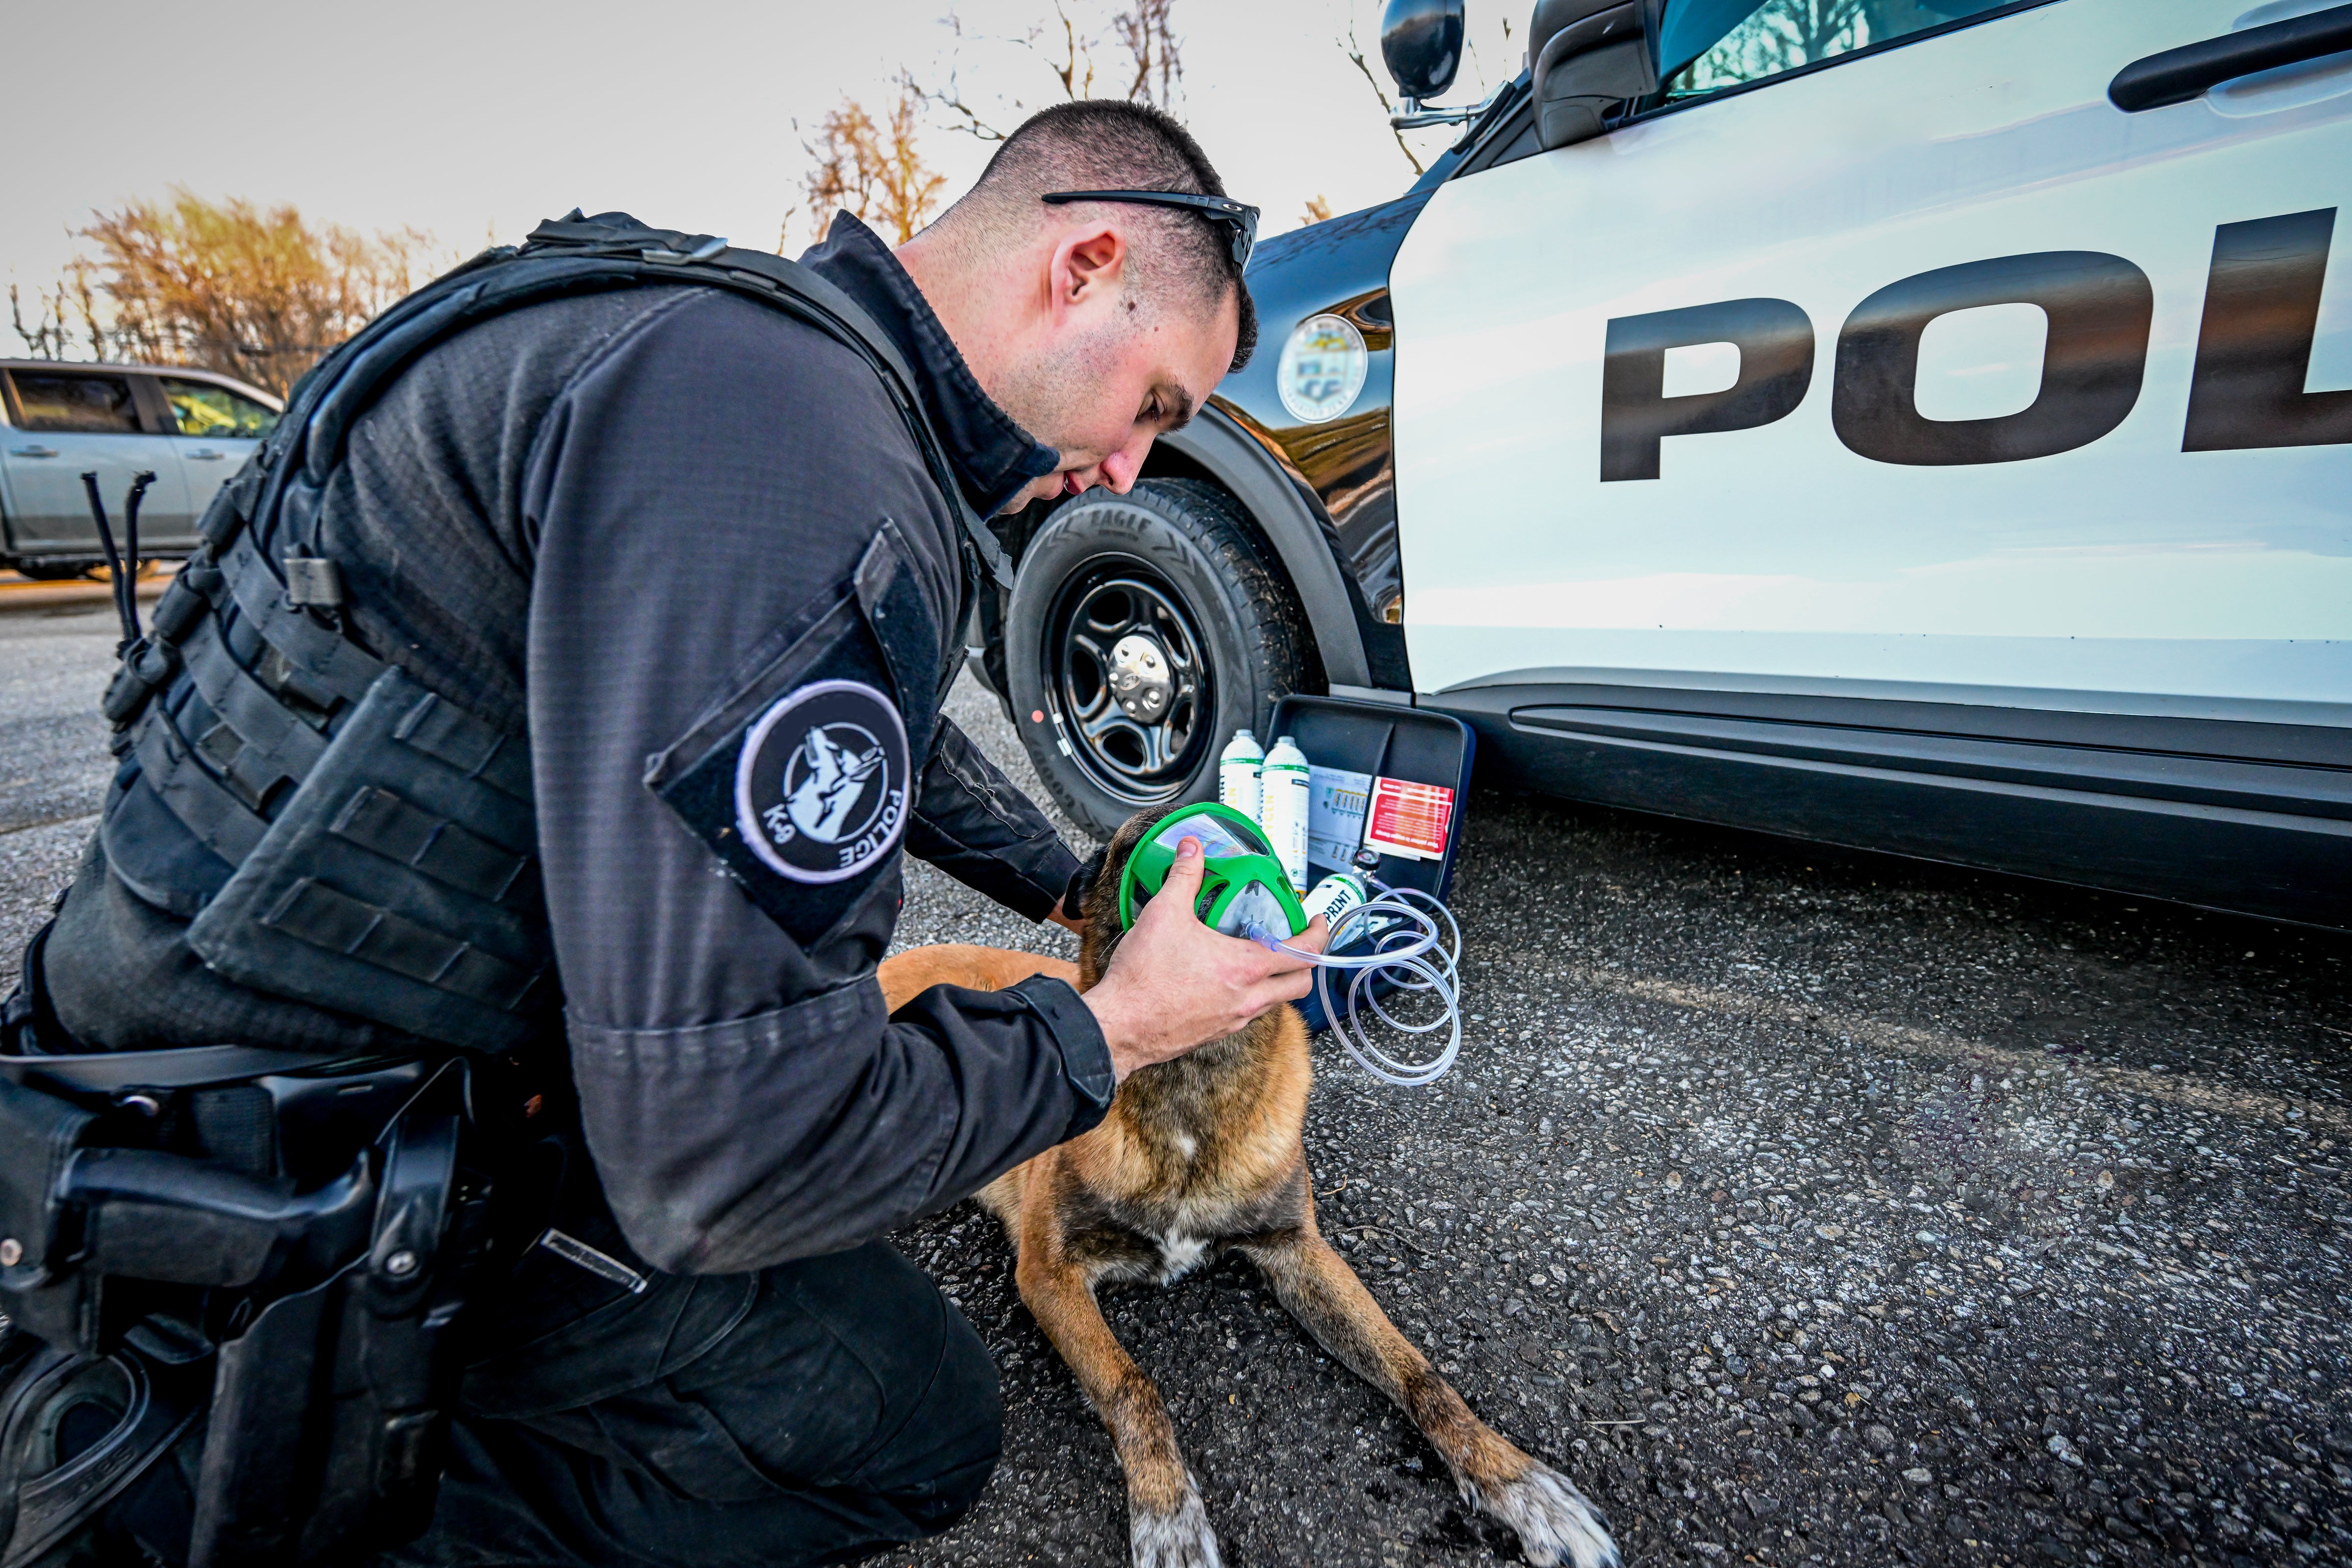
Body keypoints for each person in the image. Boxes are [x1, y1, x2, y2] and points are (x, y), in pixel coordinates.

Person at [3, 99, 1325, 1566]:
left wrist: (1074, 880)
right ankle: (209, 1496)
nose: (1132, 468)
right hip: (279, 1205)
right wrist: (1113, 1029)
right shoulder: (799, 464)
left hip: (170, 1077)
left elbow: (852, 722)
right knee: (912, 1419)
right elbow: (727, 1164)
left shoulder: (735, 358)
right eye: (1154, 406)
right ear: (1083, 268)